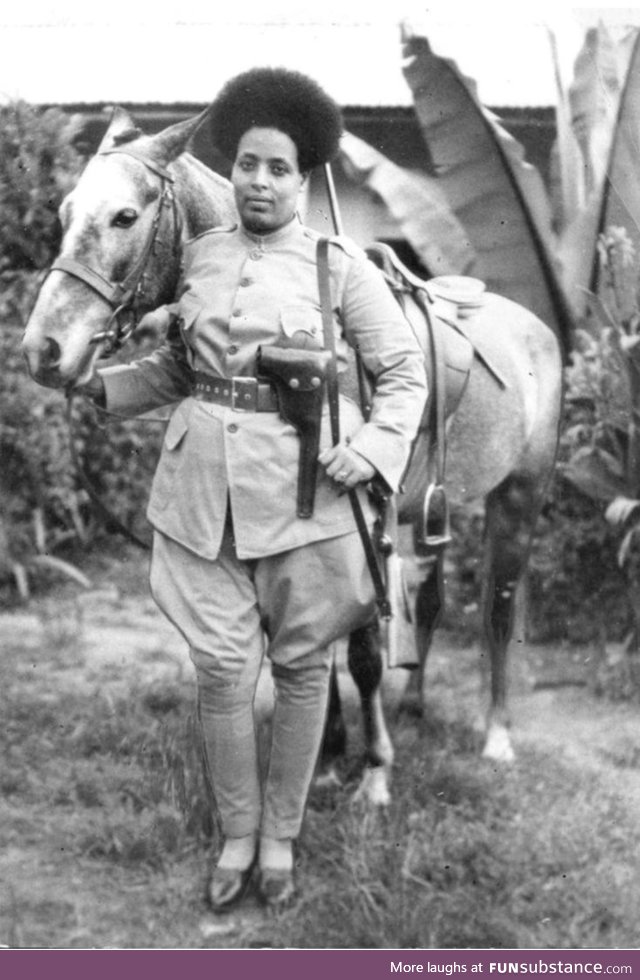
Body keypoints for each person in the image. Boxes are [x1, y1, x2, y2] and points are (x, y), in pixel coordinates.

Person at [83, 67, 428, 911]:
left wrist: (376, 449)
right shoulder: (198, 257)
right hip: (201, 499)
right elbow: (177, 368)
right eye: (246, 164)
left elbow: (402, 372)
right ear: (229, 170)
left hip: (307, 499)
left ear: (303, 178)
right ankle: (237, 833)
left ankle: (280, 838)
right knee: (221, 670)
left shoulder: (336, 265)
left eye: (278, 168)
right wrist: (104, 390)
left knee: (304, 668)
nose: (259, 182)